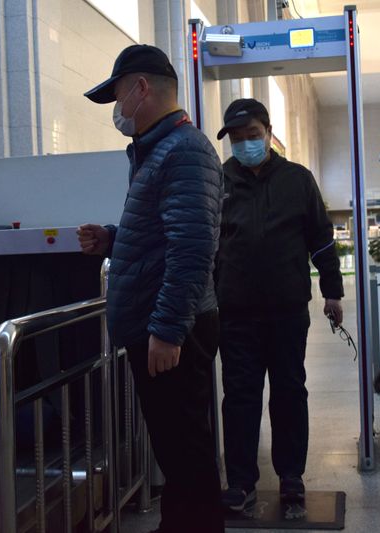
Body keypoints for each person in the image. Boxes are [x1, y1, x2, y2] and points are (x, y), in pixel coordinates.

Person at [77, 44, 224, 533]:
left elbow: (192, 248)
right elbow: (162, 236)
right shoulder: (157, 150)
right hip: (161, 324)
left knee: (186, 453)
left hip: (170, 327)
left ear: (141, 88)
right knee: (176, 450)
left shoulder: (183, 149)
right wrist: (111, 240)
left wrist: (166, 330)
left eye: (118, 96)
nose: (117, 109)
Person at [214, 98, 344, 511]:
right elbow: (207, 246)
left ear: (269, 132)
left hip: (287, 310)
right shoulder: (220, 181)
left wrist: (333, 292)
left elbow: (321, 239)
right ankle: (240, 481)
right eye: (236, 138)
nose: (245, 144)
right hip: (235, 312)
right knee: (239, 396)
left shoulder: (297, 180)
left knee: (289, 391)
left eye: (251, 135)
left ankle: (291, 477)